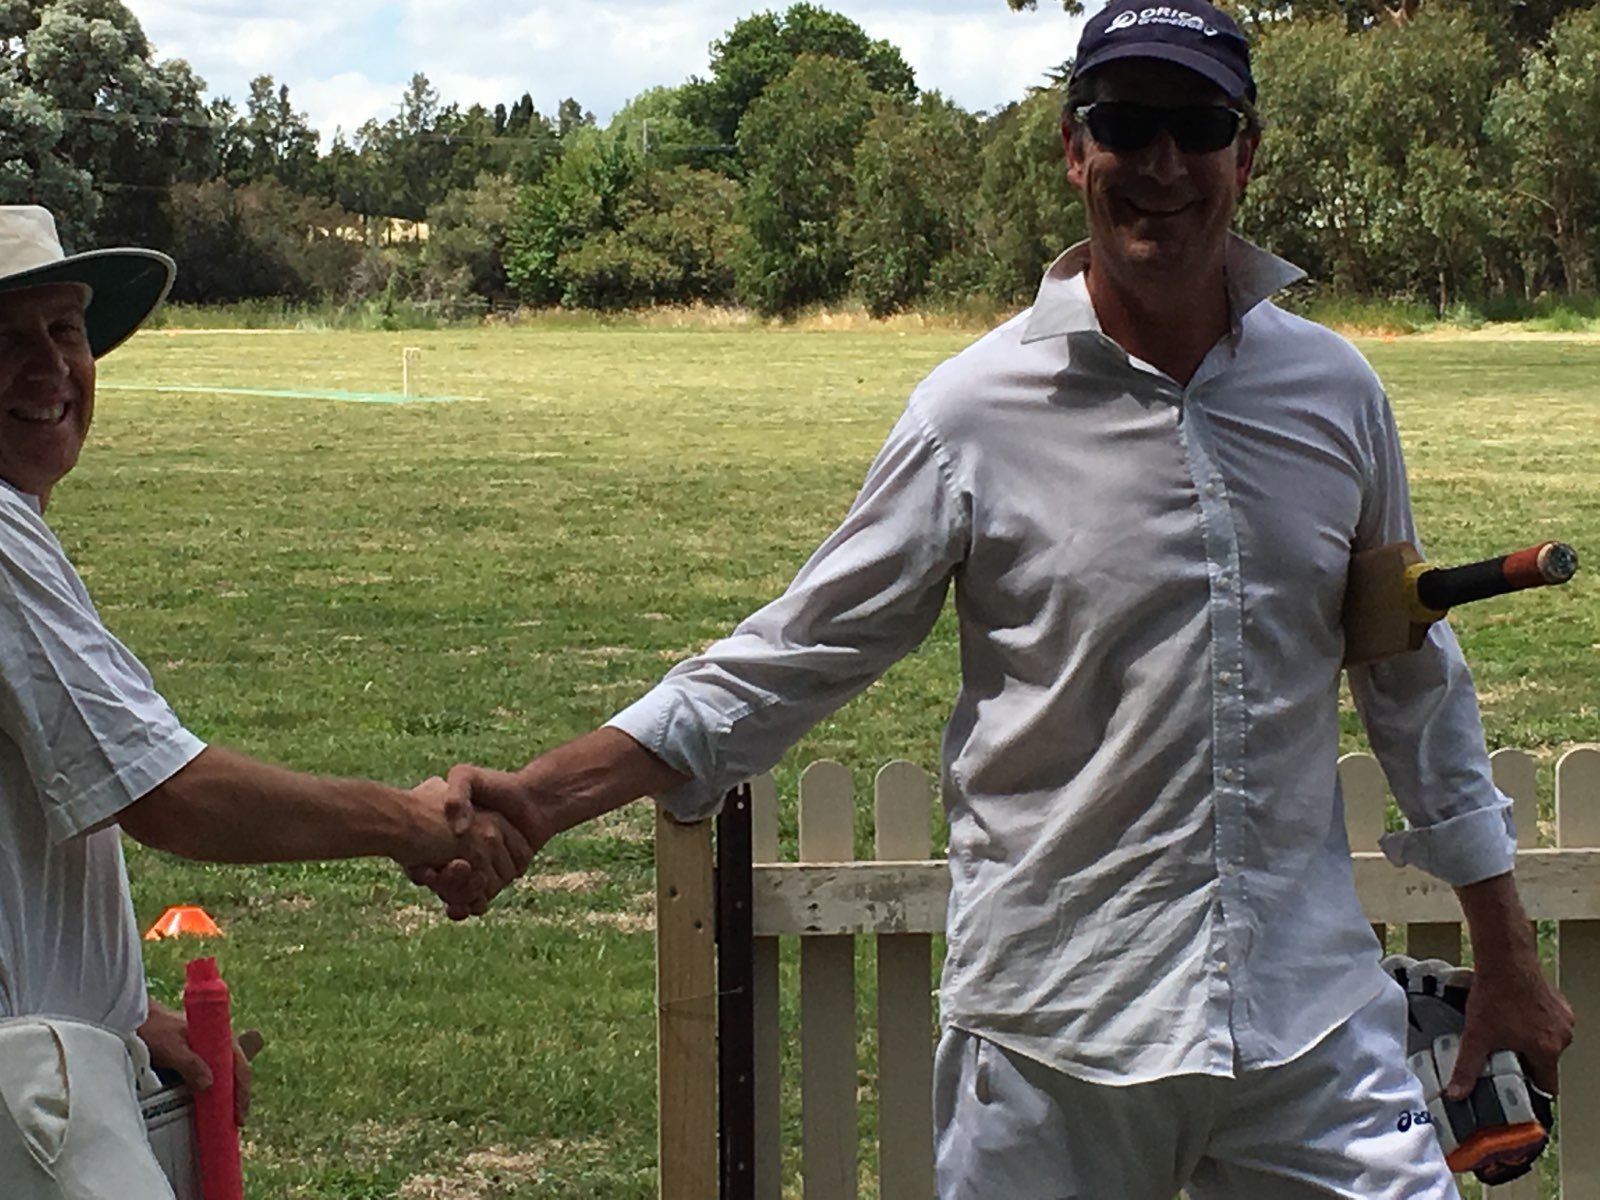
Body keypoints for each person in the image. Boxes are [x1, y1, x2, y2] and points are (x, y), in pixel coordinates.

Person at [439, 1, 1572, 1195]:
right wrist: (544, 798)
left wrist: (1502, 947)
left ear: (1246, 153)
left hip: (1306, 1018)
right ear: (1073, 149)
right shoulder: (970, 412)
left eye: (1196, 126)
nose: (1160, 165)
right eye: (1124, 125)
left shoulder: (1334, 391)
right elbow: (792, 655)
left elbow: (1408, 676)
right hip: (1053, 1035)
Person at [0, 204, 529, 1200]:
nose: (49, 368)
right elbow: (167, 794)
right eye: (5, 339)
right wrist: (415, 824)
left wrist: (114, 1017)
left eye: (64, 330)